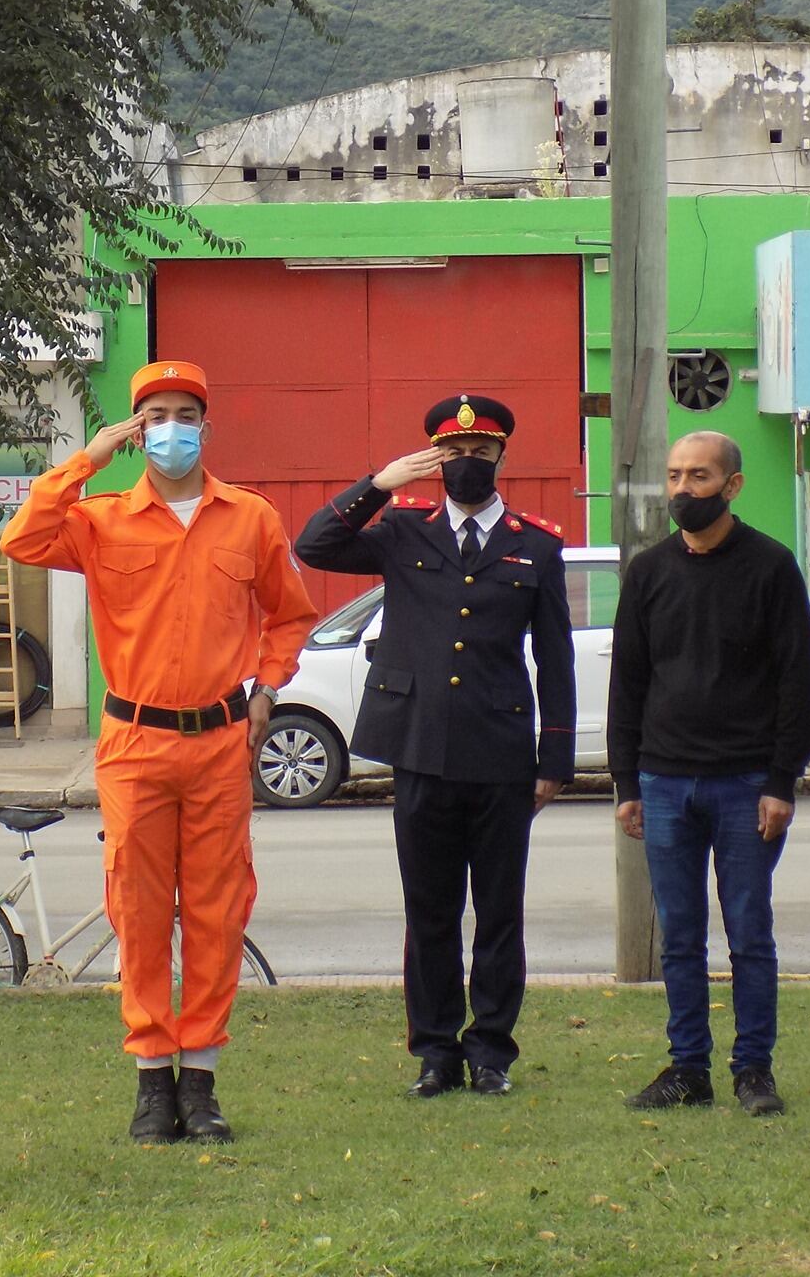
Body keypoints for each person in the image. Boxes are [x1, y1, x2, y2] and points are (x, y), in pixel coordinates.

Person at [0, 362, 318, 1145]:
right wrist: (88, 458)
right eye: (154, 415)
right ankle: (151, 1078)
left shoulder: (249, 519)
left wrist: (267, 693)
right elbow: (23, 535)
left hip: (218, 739)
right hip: (134, 742)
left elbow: (290, 616)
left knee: (215, 910)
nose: (170, 428)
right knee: (138, 911)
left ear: (206, 426)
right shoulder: (103, 517)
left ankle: (201, 1079)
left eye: (184, 413)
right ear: (137, 428)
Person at [295, 394, 574, 1100]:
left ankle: (491, 1051)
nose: (467, 466)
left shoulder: (534, 545)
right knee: (429, 911)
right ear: (434, 460)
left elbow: (556, 657)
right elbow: (314, 544)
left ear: (501, 458)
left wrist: (555, 757)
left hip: (502, 753)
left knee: (499, 913)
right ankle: (436, 1052)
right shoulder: (403, 531)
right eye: (453, 455)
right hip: (420, 749)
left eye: (480, 455)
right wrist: (380, 483)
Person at [609, 432, 810, 1118]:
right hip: (665, 784)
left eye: (698, 477)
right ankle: (687, 1067)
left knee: (749, 933)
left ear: (732, 486)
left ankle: (753, 1070)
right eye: (674, 476)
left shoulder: (770, 567)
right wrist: (625, 784)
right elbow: (629, 683)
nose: (683, 490)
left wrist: (781, 781)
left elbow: (797, 683)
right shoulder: (648, 574)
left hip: (745, 785)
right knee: (679, 935)